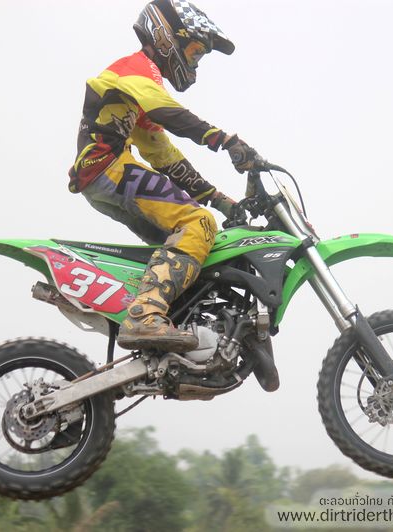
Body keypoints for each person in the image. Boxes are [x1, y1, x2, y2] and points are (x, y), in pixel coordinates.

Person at [68, 0, 261, 352]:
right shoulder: (136, 70)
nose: (195, 63)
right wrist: (223, 139)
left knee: (191, 249)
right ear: (167, 37)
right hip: (109, 167)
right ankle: (144, 317)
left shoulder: (139, 91)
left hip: (104, 177)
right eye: (195, 51)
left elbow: (162, 154)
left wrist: (220, 200)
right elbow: (167, 112)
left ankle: (176, 326)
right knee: (198, 223)